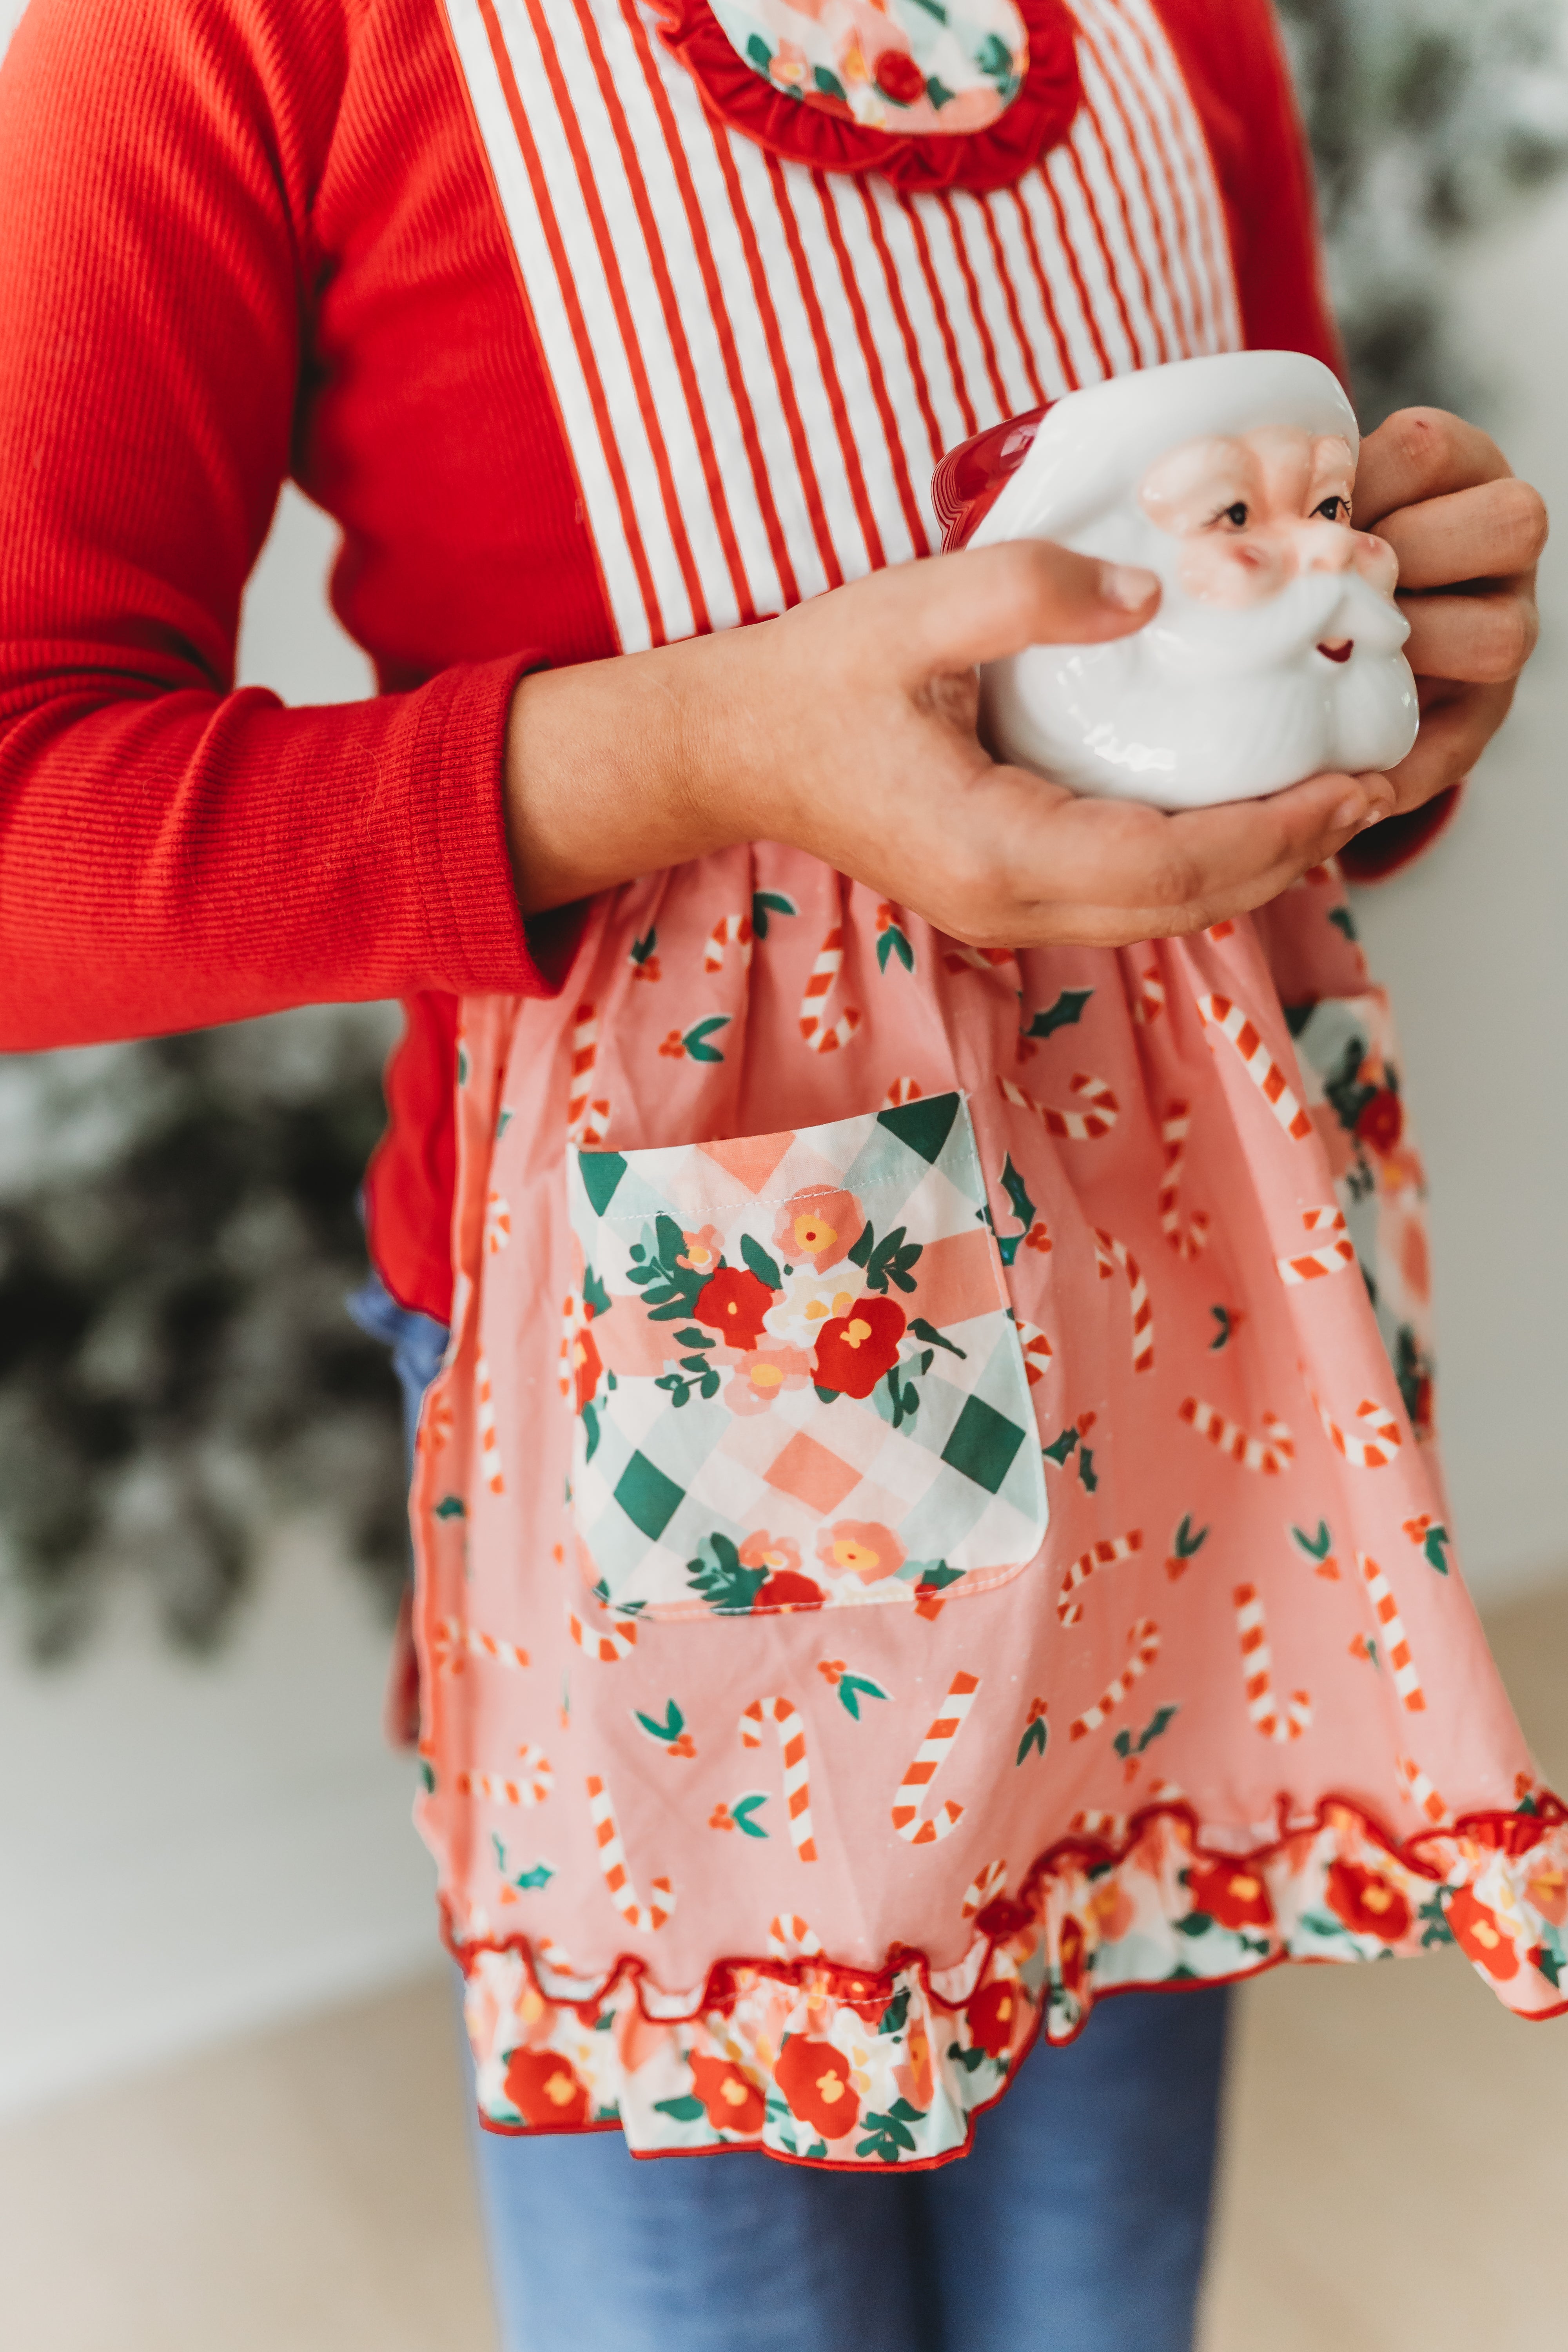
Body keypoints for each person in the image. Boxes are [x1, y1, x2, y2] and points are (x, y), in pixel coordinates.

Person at [0, 2, 1550, 2348]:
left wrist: (1385, 687)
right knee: (727, 2299)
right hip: (703, 1359)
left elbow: (1233, 656)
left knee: (1101, 2287)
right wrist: (703, 742)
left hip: (1190, 1357)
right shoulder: (232, 32)